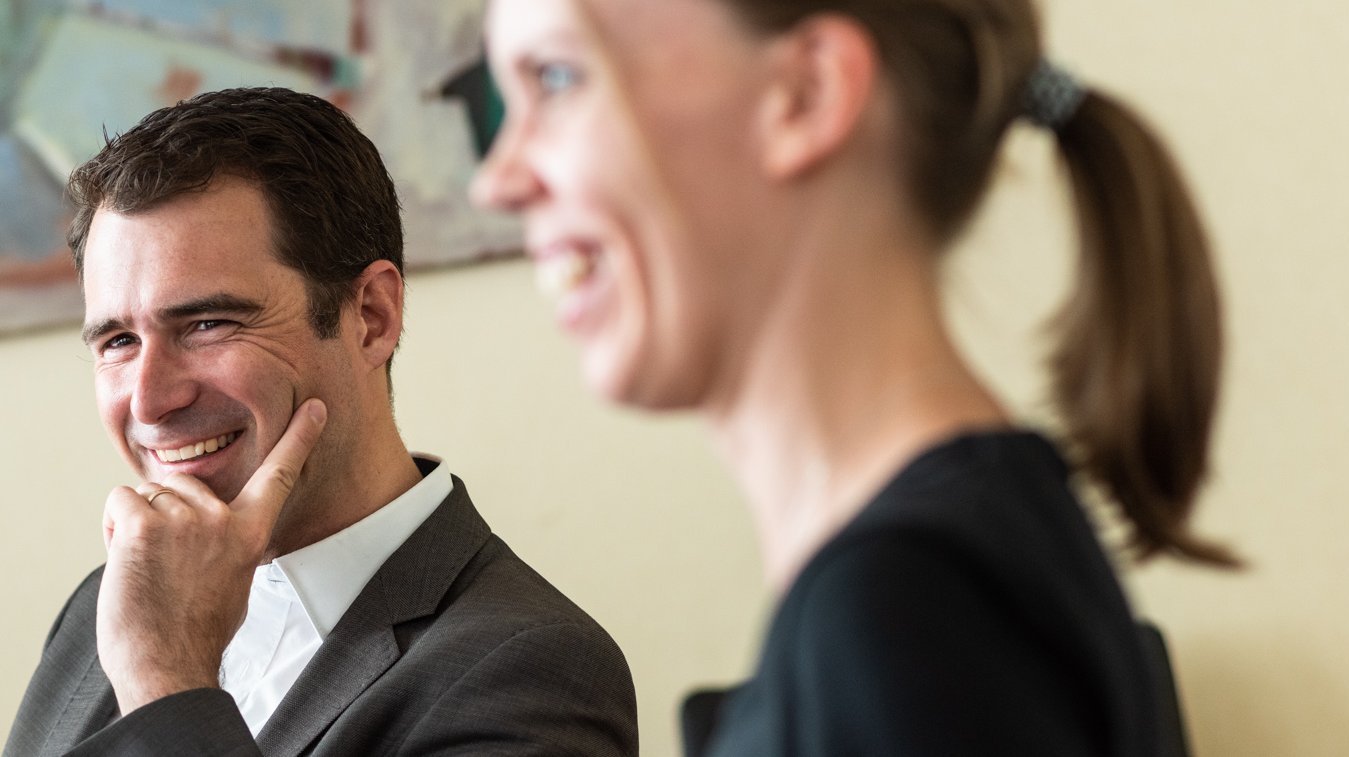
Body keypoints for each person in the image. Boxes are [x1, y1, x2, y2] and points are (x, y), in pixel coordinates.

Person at [472, 1, 1237, 755]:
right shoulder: (930, 575)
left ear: (806, 95)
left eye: (558, 77)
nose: (496, 182)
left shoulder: (907, 607)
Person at [2, 87, 638, 757]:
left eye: (208, 323)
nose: (149, 401)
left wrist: (164, 680)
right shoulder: (106, 603)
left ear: (371, 317)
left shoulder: (531, 670)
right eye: (118, 342)